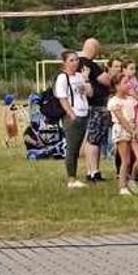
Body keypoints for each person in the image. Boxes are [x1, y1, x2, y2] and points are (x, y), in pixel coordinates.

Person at [77, 39, 115, 183]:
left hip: (88, 106)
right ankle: (92, 171)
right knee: (93, 140)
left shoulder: (79, 63)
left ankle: (94, 170)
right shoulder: (89, 64)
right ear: (93, 49)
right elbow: (106, 80)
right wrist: (113, 74)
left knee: (94, 140)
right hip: (96, 106)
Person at [53, 51, 89, 188]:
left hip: (84, 112)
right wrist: (71, 113)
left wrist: (85, 80)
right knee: (72, 147)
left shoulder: (79, 76)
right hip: (73, 115)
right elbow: (62, 97)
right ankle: (71, 179)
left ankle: (74, 176)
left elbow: (89, 93)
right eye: (71, 60)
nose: (75, 63)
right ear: (65, 63)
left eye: (76, 60)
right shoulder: (63, 78)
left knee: (77, 148)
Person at [107, 76, 138, 196]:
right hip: (121, 130)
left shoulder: (131, 99)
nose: (128, 85)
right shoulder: (114, 102)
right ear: (117, 86)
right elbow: (121, 118)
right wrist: (131, 131)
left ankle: (132, 178)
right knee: (126, 160)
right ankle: (122, 186)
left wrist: (137, 128)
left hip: (133, 128)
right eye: (125, 82)